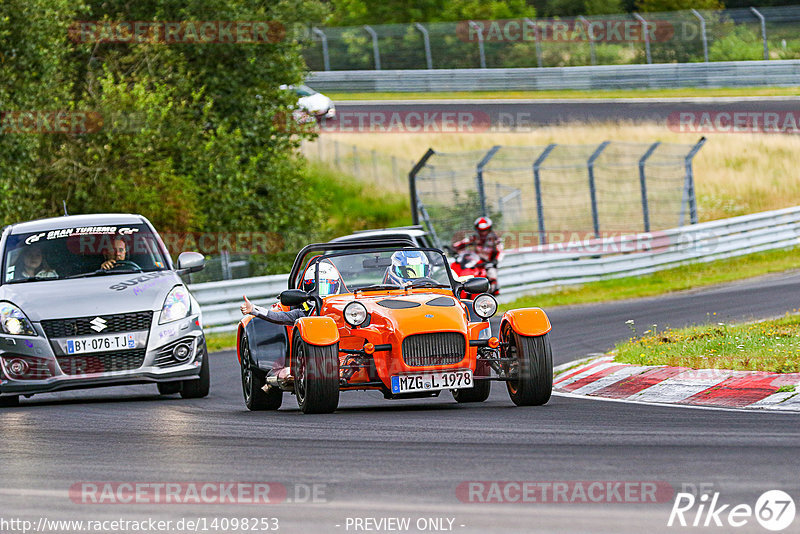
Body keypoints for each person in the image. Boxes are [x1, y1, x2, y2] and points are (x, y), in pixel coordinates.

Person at [241, 260, 343, 325]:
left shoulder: (346, 308)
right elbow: (278, 317)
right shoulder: (303, 314)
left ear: (337, 286)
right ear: (306, 288)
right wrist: (253, 309)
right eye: (313, 287)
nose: (320, 293)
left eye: (326, 287)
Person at [452, 216, 503, 294]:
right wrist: (455, 247)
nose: (483, 233)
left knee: (491, 272)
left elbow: (500, 251)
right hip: (475, 261)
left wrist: (495, 261)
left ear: (489, 229)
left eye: (485, 230)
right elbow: (463, 243)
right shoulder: (474, 238)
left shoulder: (495, 240)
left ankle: (493, 289)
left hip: (487, 262)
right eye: (481, 231)